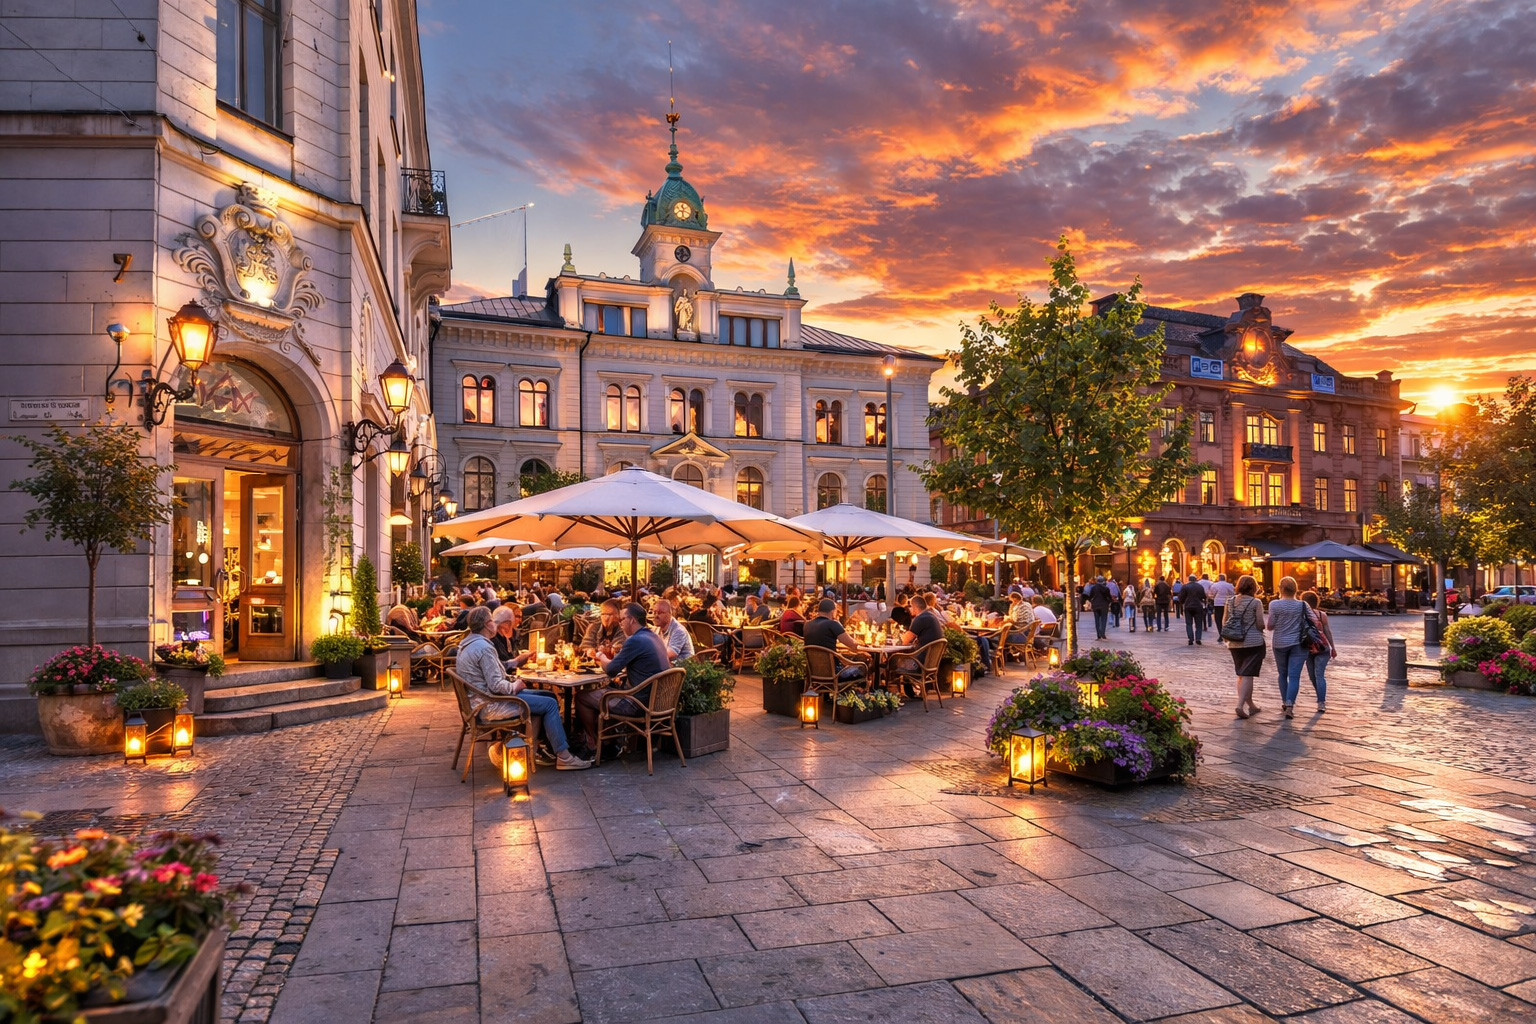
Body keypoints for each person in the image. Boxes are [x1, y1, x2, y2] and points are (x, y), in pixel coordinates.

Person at [455, 606, 591, 770]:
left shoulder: (468, 644)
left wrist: (516, 662)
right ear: (486, 624)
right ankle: (564, 756)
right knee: (549, 704)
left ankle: (534, 750)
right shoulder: (484, 648)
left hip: (480, 702)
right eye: (491, 620)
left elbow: (493, 671)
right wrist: (515, 686)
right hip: (491, 705)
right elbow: (496, 685)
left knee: (547, 695)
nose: (494, 624)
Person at [579, 602, 672, 753]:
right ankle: (608, 741)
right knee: (609, 689)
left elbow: (611, 670)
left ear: (632, 620)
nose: (620, 623)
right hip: (659, 702)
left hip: (638, 705)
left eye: (622, 619)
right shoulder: (654, 636)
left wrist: (601, 656)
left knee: (582, 697)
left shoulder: (635, 640)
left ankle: (593, 744)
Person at [1266, 575, 1310, 719]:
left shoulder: (1274, 604)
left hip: (1279, 643)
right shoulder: (1302, 605)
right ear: (1295, 589)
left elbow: (1270, 626)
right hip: (1298, 643)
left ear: (1281, 589)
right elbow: (1314, 621)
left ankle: (1284, 701)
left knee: (1282, 674)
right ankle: (1290, 705)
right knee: (1294, 676)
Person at [1224, 574, 1266, 719]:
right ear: (1254, 587)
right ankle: (1240, 705)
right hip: (1253, 642)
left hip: (1234, 642)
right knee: (1248, 674)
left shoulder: (1230, 601)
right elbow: (1260, 624)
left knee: (1242, 674)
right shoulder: (1256, 602)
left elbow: (1224, 622)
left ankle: (1251, 705)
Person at [804, 598, 869, 683]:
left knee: (853, 657)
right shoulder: (833, 624)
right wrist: (862, 644)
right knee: (864, 659)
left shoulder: (807, 625)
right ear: (833, 611)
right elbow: (852, 644)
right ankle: (864, 690)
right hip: (836, 674)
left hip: (814, 673)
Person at [1300, 591, 1337, 713]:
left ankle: (1321, 700)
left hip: (1308, 647)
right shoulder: (1322, 615)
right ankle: (1321, 700)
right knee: (1318, 675)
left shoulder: (1301, 615)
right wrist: (1333, 647)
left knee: (1314, 676)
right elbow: (1327, 631)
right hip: (1323, 646)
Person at [651, 598, 694, 663]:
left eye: (660, 613)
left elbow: (669, 654)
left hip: (682, 666)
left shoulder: (678, 631)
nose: (656, 616)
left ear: (670, 614)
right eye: (654, 612)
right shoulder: (658, 629)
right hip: (667, 665)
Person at [490, 606, 532, 673]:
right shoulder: (493, 640)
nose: (520, 621)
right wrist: (517, 661)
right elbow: (499, 667)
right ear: (506, 624)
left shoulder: (504, 638)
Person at [1181, 573, 1207, 645]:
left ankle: (1190, 639)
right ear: (1195, 579)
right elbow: (1204, 596)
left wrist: (1183, 603)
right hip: (1198, 606)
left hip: (1188, 606)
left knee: (1189, 623)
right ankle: (1198, 638)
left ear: (1189, 579)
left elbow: (1181, 597)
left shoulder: (1185, 587)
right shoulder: (1200, 587)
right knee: (1199, 624)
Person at [1086, 575, 1113, 641]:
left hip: (1096, 605)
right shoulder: (1106, 589)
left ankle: (1098, 635)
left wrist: (1091, 601)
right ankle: (1102, 633)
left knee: (1097, 620)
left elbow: (1090, 596)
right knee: (1104, 619)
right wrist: (1109, 601)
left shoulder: (1093, 588)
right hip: (1104, 605)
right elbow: (1109, 597)